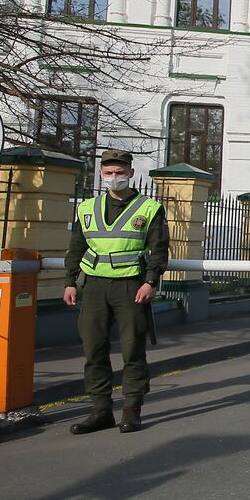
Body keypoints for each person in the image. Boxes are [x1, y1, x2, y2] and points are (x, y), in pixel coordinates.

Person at [63, 150, 169, 434]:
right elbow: (76, 248)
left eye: (120, 172)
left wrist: (150, 281)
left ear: (131, 173)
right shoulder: (86, 208)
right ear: (100, 174)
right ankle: (100, 411)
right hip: (94, 287)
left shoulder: (149, 208)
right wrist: (70, 282)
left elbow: (159, 249)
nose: (114, 178)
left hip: (131, 286)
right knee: (93, 350)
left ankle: (131, 411)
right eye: (109, 173)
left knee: (133, 350)